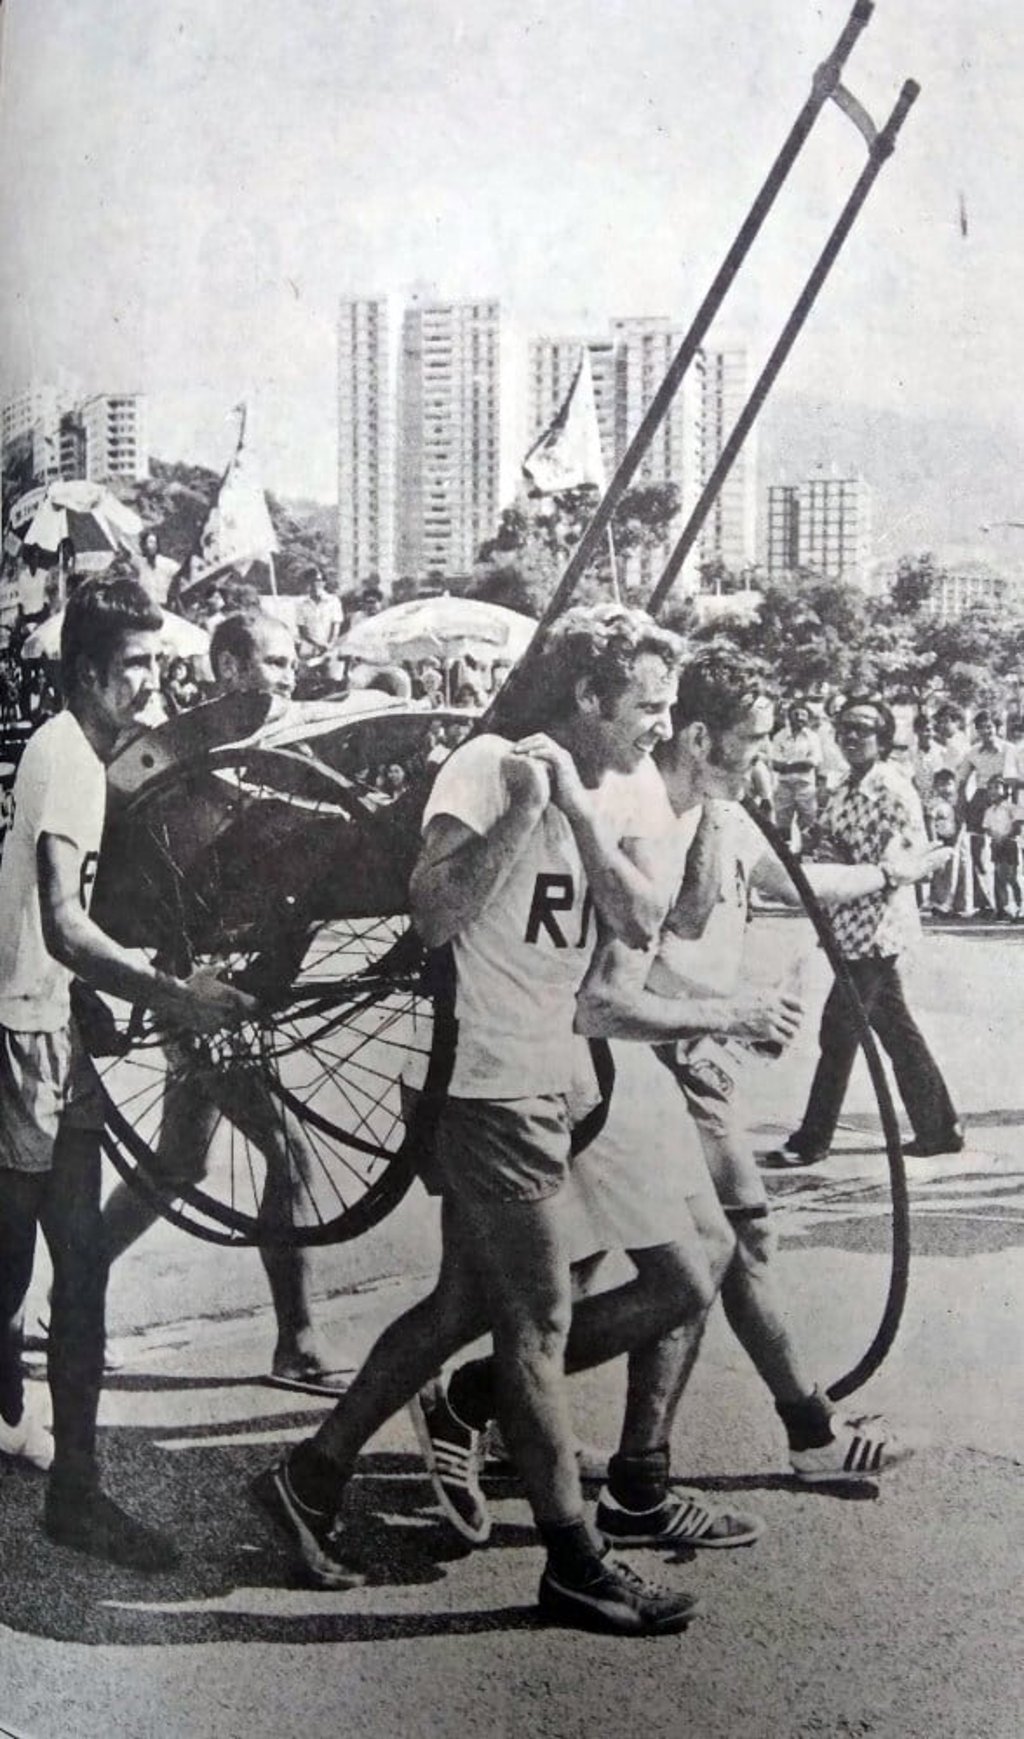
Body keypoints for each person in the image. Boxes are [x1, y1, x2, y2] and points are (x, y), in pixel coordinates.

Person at [252, 603, 750, 1634]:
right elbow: (432, 912)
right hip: (485, 1085)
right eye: (646, 705)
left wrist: (575, 810)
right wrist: (526, 809)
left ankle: (309, 1475)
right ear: (586, 694)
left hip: (554, 1080)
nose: (661, 727)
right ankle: (574, 1560)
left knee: (463, 1305)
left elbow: (640, 918)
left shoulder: (613, 782)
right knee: (537, 1320)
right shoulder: (486, 766)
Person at [429, 652, 934, 1544]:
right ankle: (602, 1455)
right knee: (699, 1256)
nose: (769, 762)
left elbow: (775, 888)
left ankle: (528, 1424)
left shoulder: (706, 809)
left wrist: (894, 873)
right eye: (754, 742)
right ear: (698, 737)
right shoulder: (647, 808)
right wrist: (727, 1016)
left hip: (643, 1063)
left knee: (627, 1268)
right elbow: (609, 992)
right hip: (623, 1065)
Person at [0, 576, 253, 1570]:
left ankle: (77, 1487)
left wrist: (96, 994)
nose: (156, 683)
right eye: (139, 666)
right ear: (92, 671)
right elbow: (63, 923)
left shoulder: (81, 752)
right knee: (14, 1269)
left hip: (46, 1028)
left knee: (77, 1262)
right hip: (20, 1039)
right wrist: (172, 992)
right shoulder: (66, 758)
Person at [101, 611, 348, 1389]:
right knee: (288, 1151)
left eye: (293, 661)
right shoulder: (183, 757)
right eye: (274, 660)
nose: (289, 673)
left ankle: (76, 1283)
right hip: (193, 986)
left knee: (178, 1161)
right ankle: (297, 1342)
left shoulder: (273, 752)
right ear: (230, 666)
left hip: (233, 982)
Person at [767, 696, 963, 1166]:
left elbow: (907, 862)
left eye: (863, 729)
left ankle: (812, 1140)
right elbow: (825, 839)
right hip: (845, 920)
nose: (851, 737)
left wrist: (852, 862)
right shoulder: (842, 785)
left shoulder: (893, 789)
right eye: (845, 728)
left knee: (838, 1032)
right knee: (895, 1028)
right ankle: (940, 1127)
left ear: (883, 738)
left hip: (878, 927)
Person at [770, 700, 822, 846]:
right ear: (789, 716)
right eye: (796, 714)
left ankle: (808, 852)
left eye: (803, 715)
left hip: (805, 786)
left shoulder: (812, 737)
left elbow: (812, 762)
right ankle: (785, 851)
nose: (800, 718)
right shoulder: (779, 736)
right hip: (784, 786)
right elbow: (775, 764)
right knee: (782, 821)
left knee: (808, 821)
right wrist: (800, 763)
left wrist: (787, 765)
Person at [296, 567, 343, 663]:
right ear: (307, 583)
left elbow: (335, 627)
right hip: (308, 651)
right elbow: (302, 631)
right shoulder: (302, 604)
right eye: (311, 581)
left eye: (318, 580)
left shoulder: (333, 601)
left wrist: (328, 646)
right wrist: (318, 645)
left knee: (331, 672)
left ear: (324, 583)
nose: (314, 584)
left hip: (329, 650)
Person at [137, 529, 177, 607]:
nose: (152, 546)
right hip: (145, 608)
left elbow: (181, 576)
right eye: (149, 542)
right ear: (143, 546)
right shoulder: (141, 564)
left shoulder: (168, 564)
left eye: (154, 542)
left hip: (163, 607)